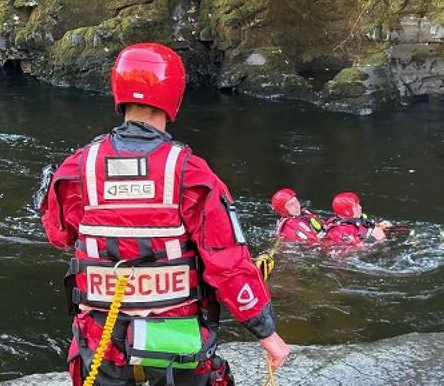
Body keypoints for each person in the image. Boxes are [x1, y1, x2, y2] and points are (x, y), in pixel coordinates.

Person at [37, 43, 289, 386]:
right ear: (174, 96)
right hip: (176, 343)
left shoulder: (78, 166)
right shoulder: (191, 172)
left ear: (118, 92)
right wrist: (266, 333)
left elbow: (59, 235)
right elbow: (228, 264)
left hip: (100, 343)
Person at [324, 192, 391, 246]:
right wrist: (374, 239)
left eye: (359, 204)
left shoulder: (356, 219)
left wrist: (378, 226)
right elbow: (350, 250)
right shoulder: (339, 231)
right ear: (347, 211)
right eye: (356, 206)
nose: (360, 207)